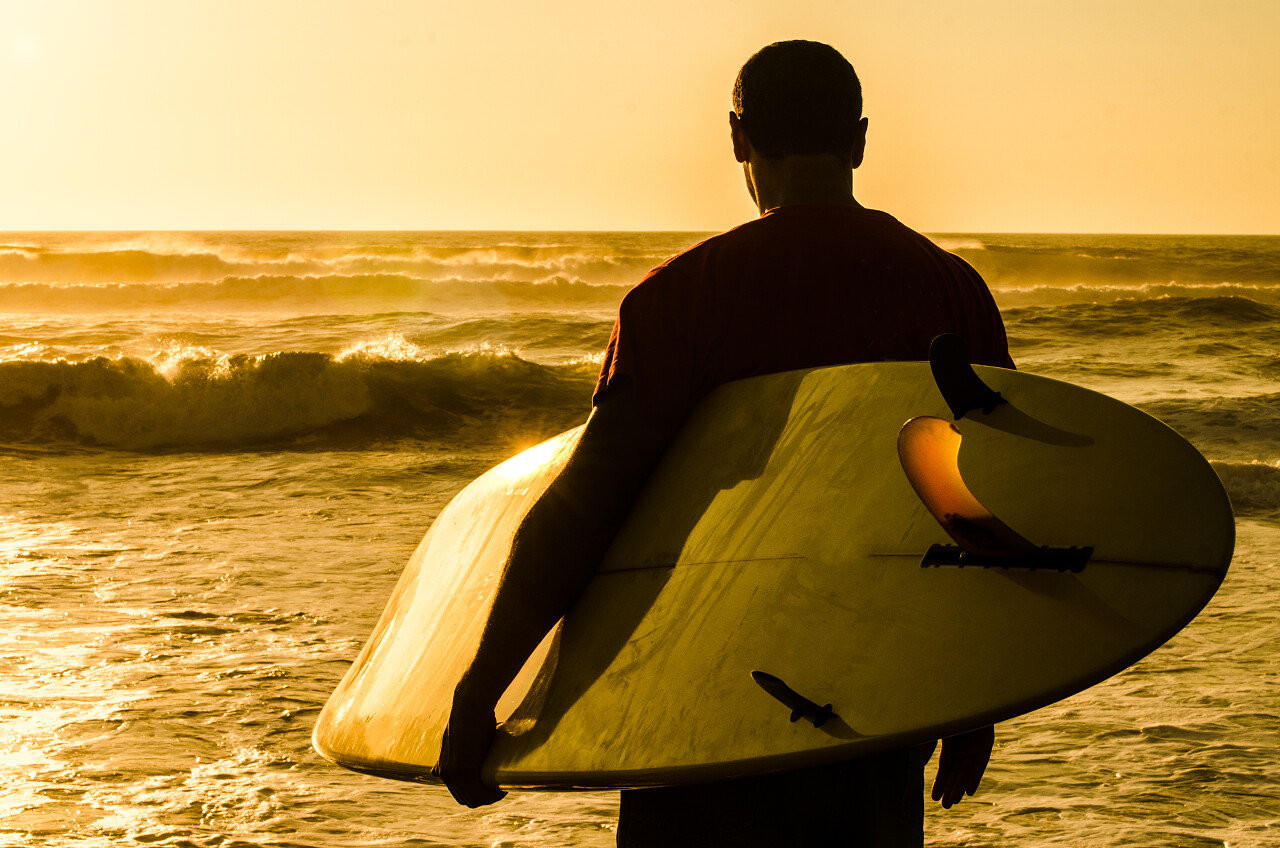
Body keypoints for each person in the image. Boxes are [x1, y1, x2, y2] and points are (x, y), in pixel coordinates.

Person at [435, 39, 1012, 846]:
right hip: (878, 694)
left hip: (700, 694)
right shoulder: (950, 289)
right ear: (860, 139)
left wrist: (478, 691)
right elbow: (979, 500)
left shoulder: (684, 297)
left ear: (739, 138)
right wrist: (980, 694)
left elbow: (585, 507)